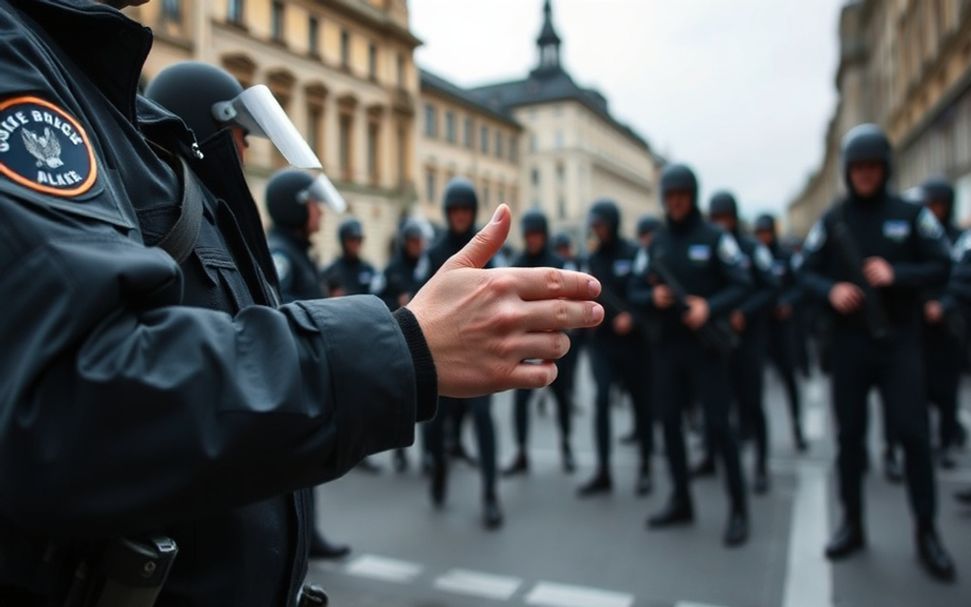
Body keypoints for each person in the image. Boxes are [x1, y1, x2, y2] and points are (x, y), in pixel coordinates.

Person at [0, 3, 604, 604]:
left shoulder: (101, 93)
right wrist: (405, 345)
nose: (247, 157)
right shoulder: (23, 63)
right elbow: (77, 398)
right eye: (238, 143)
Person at [800, 123, 955, 581]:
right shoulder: (833, 219)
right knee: (849, 439)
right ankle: (852, 524)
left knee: (913, 437)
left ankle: (926, 531)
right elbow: (803, 272)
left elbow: (944, 264)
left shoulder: (911, 214)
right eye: (858, 167)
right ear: (848, 171)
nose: (865, 174)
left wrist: (897, 274)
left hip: (899, 343)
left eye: (872, 166)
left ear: (884, 167)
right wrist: (831, 290)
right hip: (849, 345)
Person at [630, 164, 750, 547]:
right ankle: (681, 499)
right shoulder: (656, 243)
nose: (676, 202)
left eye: (682, 195)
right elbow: (632, 288)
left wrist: (709, 307)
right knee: (669, 426)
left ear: (692, 196)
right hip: (666, 350)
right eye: (670, 196)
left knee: (720, 427)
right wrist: (652, 297)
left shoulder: (715, 238)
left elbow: (743, 282)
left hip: (706, 349)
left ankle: (738, 509)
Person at [264, 168, 353, 561]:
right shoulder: (282, 253)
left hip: (303, 368)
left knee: (306, 464)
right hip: (290, 372)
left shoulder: (297, 249)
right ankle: (299, 542)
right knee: (296, 465)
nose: (319, 212)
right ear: (295, 208)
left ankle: (307, 537)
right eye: (314, 204)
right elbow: (280, 311)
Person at [421, 177, 504, 529]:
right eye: (453, 210)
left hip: (481, 352)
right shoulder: (436, 251)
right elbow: (421, 298)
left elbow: (501, 294)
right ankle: (439, 470)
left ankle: (490, 494)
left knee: (484, 419)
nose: (459, 215)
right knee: (439, 425)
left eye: (464, 210)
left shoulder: (489, 251)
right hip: (443, 354)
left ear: (472, 212)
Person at [579, 199, 654, 498]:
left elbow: (646, 292)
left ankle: (646, 466)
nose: (597, 230)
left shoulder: (635, 254)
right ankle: (603, 470)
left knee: (641, 403)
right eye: (594, 225)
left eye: (601, 224)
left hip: (634, 344)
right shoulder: (592, 259)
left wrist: (633, 317)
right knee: (601, 401)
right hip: (604, 344)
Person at [708, 192, 779, 494]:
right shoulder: (710, 247)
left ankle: (761, 464)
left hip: (750, 339)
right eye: (715, 219)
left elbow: (770, 286)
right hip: (718, 340)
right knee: (721, 407)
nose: (720, 224)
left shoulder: (752, 248)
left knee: (753, 403)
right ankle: (713, 458)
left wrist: (744, 312)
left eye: (724, 218)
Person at [503, 210, 576, 476]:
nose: (533, 240)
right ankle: (522, 452)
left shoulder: (558, 263)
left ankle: (566, 446)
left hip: (555, 341)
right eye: (529, 235)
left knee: (562, 399)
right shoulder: (518, 264)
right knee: (521, 401)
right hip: (527, 343)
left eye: (537, 234)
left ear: (545, 235)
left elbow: (570, 299)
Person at [375, 217, 430, 472]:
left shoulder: (427, 266)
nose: (417, 245)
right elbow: (377, 299)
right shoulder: (392, 269)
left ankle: (430, 452)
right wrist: (395, 301)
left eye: (420, 241)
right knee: (401, 398)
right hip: (399, 338)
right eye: (412, 241)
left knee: (429, 394)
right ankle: (399, 451)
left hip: (427, 338)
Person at [919, 177, 966, 468]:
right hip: (919, 323)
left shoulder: (961, 239)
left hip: (952, 325)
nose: (933, 210)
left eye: (938, 205)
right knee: (919, 388)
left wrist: (944, 305)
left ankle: (948, 438)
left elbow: (963, 278)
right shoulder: (919, 235)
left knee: (947, 390)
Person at [753, 214, 808, 452]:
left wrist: (787, 302)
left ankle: (797, 428)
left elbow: (802, 284)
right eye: (759, 233)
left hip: (783, 328)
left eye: (766, 232)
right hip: (760, 328)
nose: (763, 237)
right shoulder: (753, 255)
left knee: (789, 379)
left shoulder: (786, 257)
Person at [321, 218, 376, 297]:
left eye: (359, 240)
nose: (356, 244)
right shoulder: (330, 272)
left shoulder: (369, 270)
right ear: (343, 241)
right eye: (352, 239)